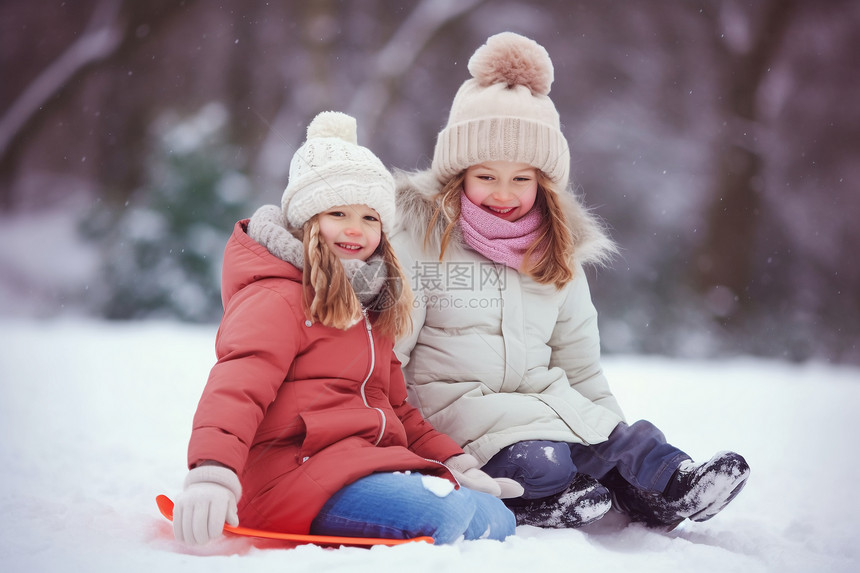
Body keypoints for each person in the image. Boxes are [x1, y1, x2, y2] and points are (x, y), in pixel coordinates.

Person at [391, 32, 750, 530]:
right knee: (544, 463)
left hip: (545, 400)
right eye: (486, 176)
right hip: (458, 414)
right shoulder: (420, 241)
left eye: (522, 178)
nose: (503, 193)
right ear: (458, 174)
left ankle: (670, 488)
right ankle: (542, 496)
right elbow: (390, 357)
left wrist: (610, 429)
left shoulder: (555, 254)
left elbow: (579, 366)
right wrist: (408, 443)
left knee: (628, 444)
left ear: (543, 182)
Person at [171, 111, 519, 546]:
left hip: (361, 464)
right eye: (338, 212)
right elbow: (237, 387)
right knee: (448, 514)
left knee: (498, 519)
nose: (355, 229)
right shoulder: (277, 297)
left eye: (370, 218)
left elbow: (397, 408)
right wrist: (213, 472)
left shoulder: (370, 302)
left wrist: (456, 462)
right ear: (306, 221)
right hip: (290, 474)